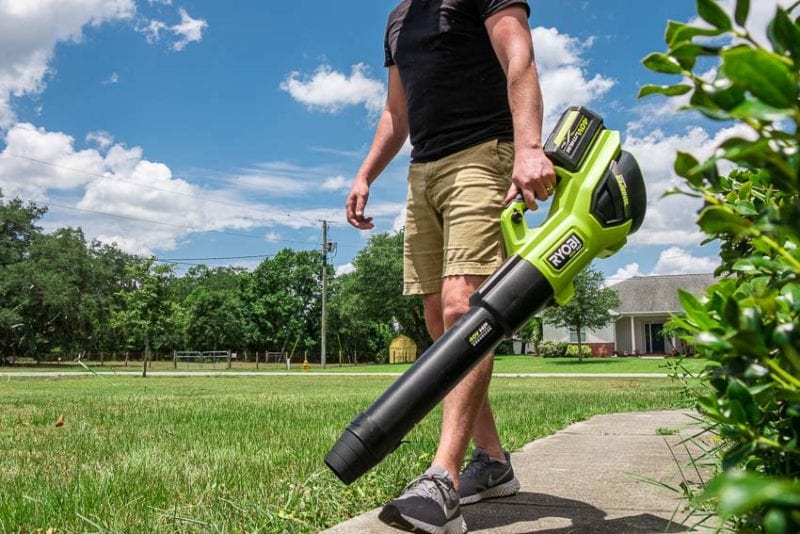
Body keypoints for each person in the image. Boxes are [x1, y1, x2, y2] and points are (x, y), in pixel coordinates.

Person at [345, 1, 556, 532]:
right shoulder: (396, 18)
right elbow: (398, 110)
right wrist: (366, 173)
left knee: (468, 312)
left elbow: (519, 58)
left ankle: (442, 478)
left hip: (484, 155)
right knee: (441, 328)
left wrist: (529, 146)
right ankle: (493, 463)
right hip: (424, 170)